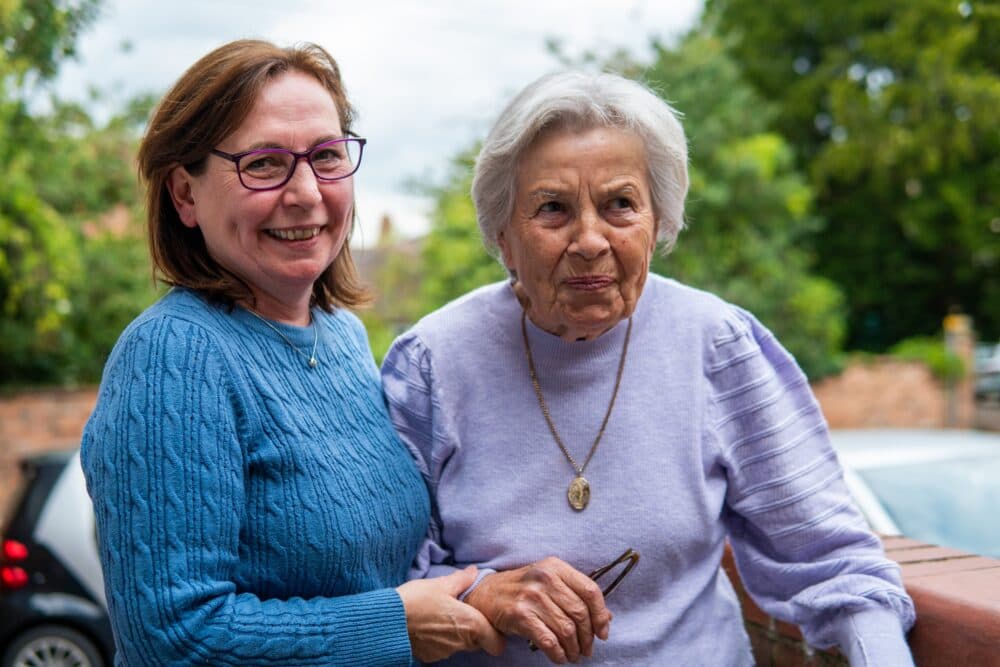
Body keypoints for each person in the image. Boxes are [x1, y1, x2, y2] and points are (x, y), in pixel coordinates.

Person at [381, 71, 916, 665]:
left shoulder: (718, 346)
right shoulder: (431, 364)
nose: (590, 240)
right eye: (553, 209)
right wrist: (484, 592)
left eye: (620, 205)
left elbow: (833, 561)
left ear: (658, 222)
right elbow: (388, 576)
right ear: (502, 235)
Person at [80, 39, 504, 666]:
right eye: (265, 164)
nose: (306, 192)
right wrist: (391, 628)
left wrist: (487, 588)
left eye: (327, 157)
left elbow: (380, 570)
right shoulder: (174, 354)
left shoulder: (343, 337)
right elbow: (175, 637)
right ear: (185, 196)